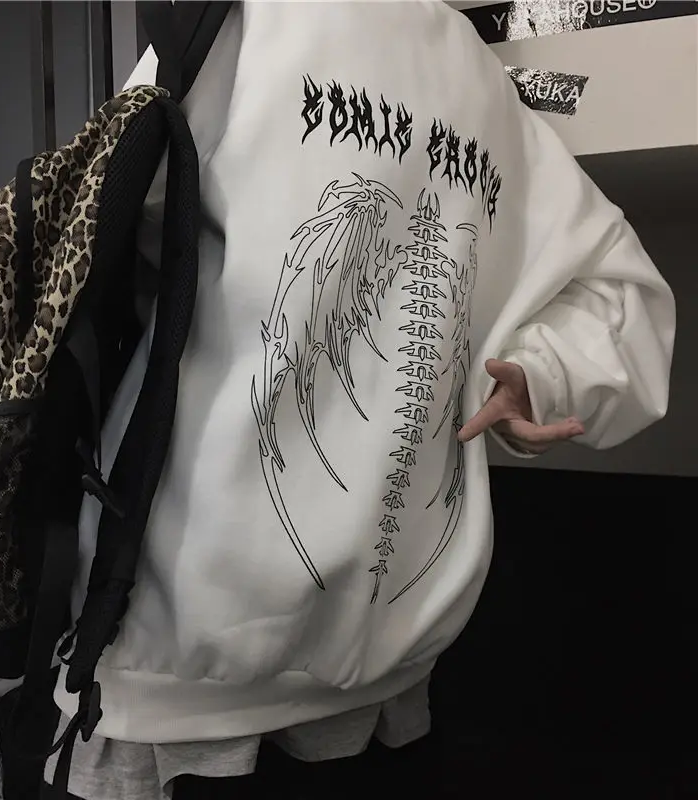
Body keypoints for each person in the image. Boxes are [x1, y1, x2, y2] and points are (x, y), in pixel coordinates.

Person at [45, 1, 675, 797]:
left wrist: (532, 371)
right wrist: (540, 370)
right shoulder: (479, 81)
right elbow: (623, 299)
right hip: (378, 654)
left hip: (194, 645)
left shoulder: (245, 23)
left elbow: (94, 233)